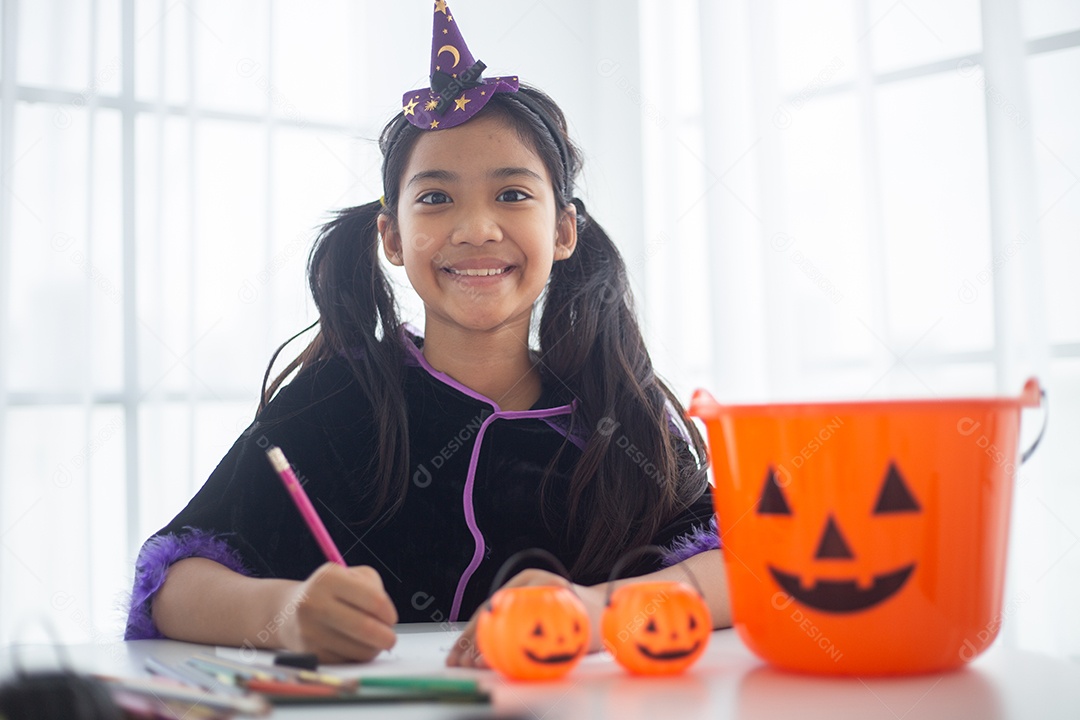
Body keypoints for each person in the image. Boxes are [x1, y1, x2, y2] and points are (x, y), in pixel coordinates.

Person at [125, 0, 729, 665]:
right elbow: (170, 586)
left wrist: (590, 610)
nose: (475, 229)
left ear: (563, 231)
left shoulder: (623, 414)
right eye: (437, 198)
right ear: (392, 236)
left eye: (513, 195)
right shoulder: (334, 402)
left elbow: (740, 572)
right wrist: (286, 613)